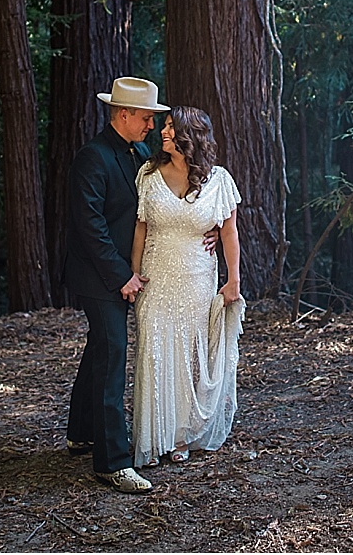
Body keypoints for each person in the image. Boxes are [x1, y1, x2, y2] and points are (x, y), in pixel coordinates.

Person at [63, 78, 217, 494]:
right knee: (114, 356)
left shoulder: (138, 155)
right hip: (99, 276)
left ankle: (82, 431)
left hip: (124, 273)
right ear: (124, 114)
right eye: (147, 117)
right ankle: (112, 463)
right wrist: (123, 276)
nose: (152, 123)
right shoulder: (92, 158)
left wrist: (211, 229)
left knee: (100, 348)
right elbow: (90, 227)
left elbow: (170, 202)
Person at [130, 106, 245, 469]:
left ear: (190, 136)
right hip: (156, 280)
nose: (162, 133)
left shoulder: (219, 181)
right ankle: (152, 438)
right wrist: (133, 275)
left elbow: (228, 231)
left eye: (169, 128)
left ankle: (180, 435)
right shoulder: (148, 174)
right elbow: (140, 228)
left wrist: (233, 281)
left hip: (197, 279)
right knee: (155, 353)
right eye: (163, 127)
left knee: (189, 358)